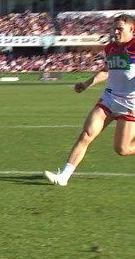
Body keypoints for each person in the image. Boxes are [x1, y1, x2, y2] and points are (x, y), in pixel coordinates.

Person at [44, 14, 135, 186]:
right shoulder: (110, 48)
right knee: (87, 134)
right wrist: (87, 84)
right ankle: (63, 176)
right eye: (114, 28)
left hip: (130, 103)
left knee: (122, 149)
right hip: (109, 98)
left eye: (120, 29)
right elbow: (107, 70)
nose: (115, 32)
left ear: (131, 29)